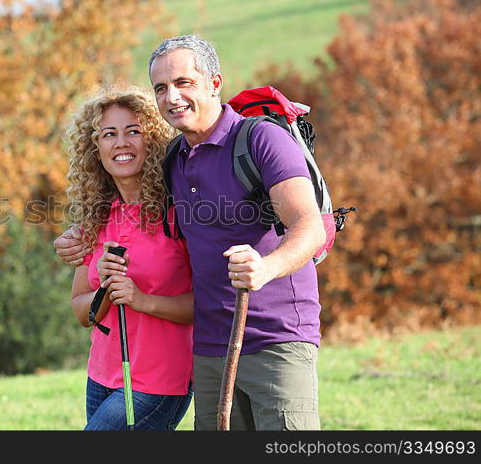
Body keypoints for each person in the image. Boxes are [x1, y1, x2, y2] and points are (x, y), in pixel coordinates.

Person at [55, 35, 326, 431]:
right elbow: (130, 204)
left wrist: (266, 267)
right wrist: (81, 233)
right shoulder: (175, 160)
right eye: (161, 88)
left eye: (183, 82)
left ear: (214, 84)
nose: (172, 96)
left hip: (277, 338)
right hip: (211, 348)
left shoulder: (261, 139)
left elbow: (309, 226)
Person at [65, 85, 194, 431]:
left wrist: (142, 300)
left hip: (160, 380)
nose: (121, 142)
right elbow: (81, 311)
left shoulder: (179, 212)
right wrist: (104, 289)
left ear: (151, 141)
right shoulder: (97, 217)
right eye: (109, 134)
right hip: (103, 375)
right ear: (96, 150)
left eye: (133, 131)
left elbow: (208, 304)